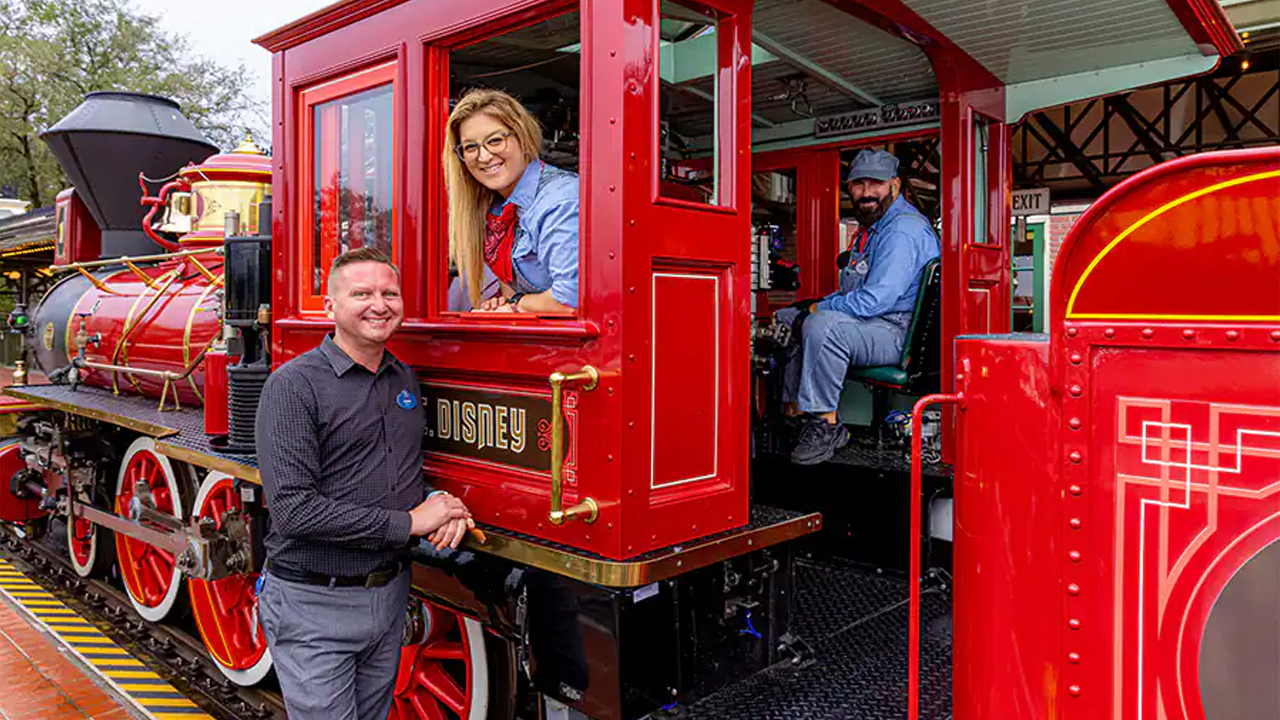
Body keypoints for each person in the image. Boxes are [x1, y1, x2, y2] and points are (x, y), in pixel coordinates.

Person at [255, 247, 475, 719]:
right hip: (315, 602)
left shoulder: (402, 378)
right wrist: (410, 523)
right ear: (330, 307)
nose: (379, 304)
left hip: (388, 596)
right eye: (362, 293)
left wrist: (438, 501)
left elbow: (391, 472)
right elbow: (293, 511)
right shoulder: (293, 386)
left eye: (389, 293)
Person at [778, 149, 941, 465]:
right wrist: (811, 307)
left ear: (895, 185)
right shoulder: (874, 228)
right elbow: (855, 290)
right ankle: (794, 413)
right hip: (873, 325)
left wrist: (818, 310)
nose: (866, 193)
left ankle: (825, 425)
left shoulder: (902, 231)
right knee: (788, 318)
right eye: (858, 184)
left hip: (896, 332)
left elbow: (874, 300)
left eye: (875, 183)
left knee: (821, 326)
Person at [443, 87, 580, 313]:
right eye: (470, 147)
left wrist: (516, 306)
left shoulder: (559, 200)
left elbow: (569, 300)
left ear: (522, 136)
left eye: (495, 141)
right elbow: (514, 292)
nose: (484, 156)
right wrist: (508, 302)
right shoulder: (495, 209)